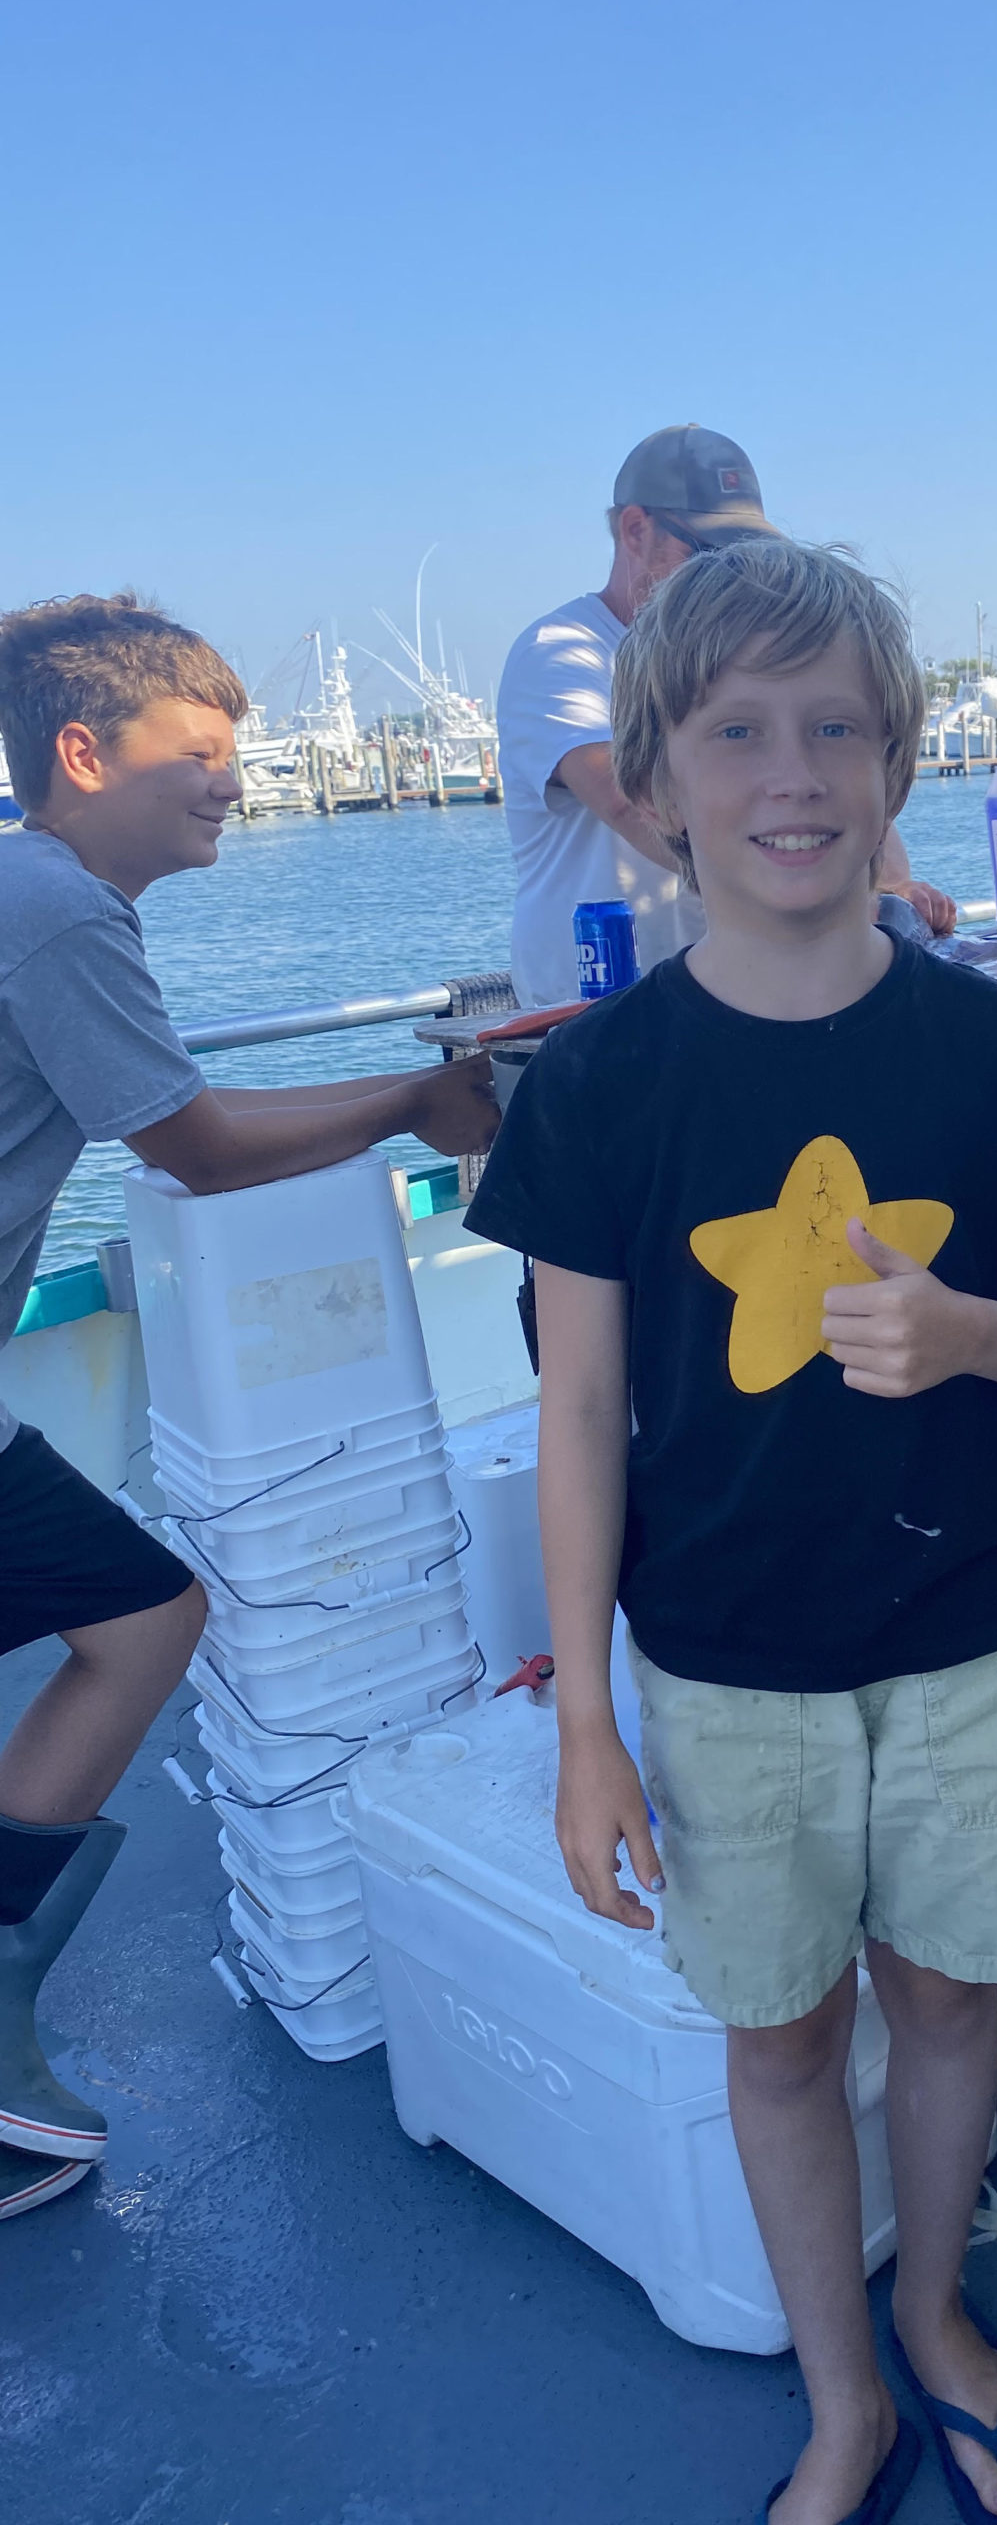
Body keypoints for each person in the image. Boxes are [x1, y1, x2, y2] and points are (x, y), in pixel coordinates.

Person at [466, 539, 997, 2525]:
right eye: (735, 729)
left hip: (966, 1633)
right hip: (719, 1662)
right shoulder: (600, 1085)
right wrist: (585, 1724)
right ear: (648, 782)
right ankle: (845, 2390)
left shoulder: (995, 1049)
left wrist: (977, 1328)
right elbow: (574, 1410)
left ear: (900, 759)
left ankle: (942, 2326)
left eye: (834, 725)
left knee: (952, 1998)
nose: (790, 769)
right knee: (783, 2029)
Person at [0, 594, 499, 2219]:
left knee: (143, 1616)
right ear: (83, 753)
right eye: (199, 754)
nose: (234, 781)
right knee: (146, 1617)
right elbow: (195, 1145)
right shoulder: (56, 904)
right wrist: (429, 1097)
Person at [496, 424, 955, 1007]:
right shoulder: (560, 651)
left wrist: (887, 886)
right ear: (636, 529)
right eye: (710, 550)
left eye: (748, 551)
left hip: (747, 995)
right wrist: (802, 895)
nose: (730, 570)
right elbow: (620, 794)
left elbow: (828, 774)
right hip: (595, 1005)